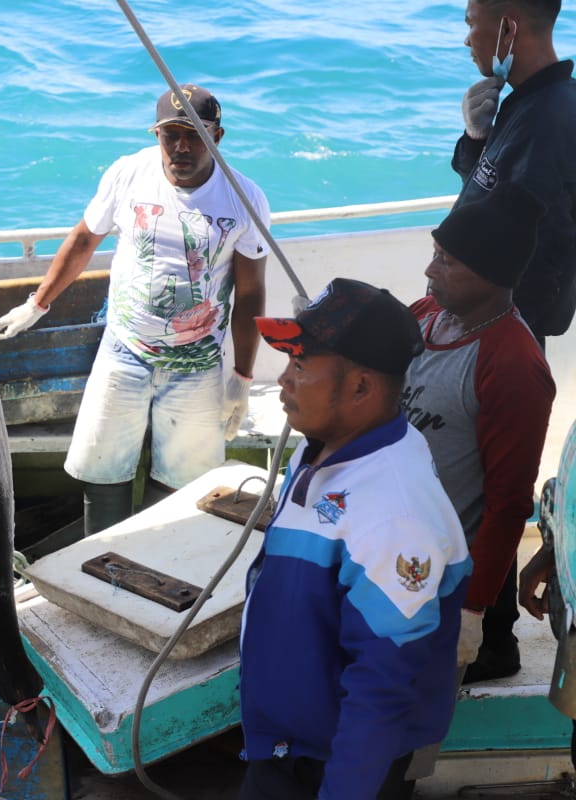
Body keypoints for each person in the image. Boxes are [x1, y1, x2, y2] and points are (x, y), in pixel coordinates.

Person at [0, 84, 268, 536]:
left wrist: (244, 377)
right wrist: (36, 305)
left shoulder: (244, 197)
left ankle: (158, 561)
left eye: (195, 133)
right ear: (156, 134)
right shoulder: (128, 173)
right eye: (170, 134)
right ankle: (99, 560)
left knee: (182, 483)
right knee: (103, 470)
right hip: (125, 351)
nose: (181, 146)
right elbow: (83, 240)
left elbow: (250, 293)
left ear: (218, 135)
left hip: (196, 363)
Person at [238, 278, 471, 799]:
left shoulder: (395, 515)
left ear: (362, 388)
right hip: (287, 742)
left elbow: (382, 684)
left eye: (301, 367)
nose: (283, 381)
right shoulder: (325, 444)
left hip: (336, 762)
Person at [402, 181, 555, 684]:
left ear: (491, 275)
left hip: (441, 577)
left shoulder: (512, 364)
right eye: (434, 253)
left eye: (446, 260)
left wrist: (472, 611)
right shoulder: (426, 316)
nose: (429, 269)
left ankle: (492, 644)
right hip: (393, 550)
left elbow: (509, 503)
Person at [453, 0, 576, 343]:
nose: (467, 41)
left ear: (507, 29)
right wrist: (476, 139)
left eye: (470, 24)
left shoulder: (550, 120)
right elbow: (487, 200)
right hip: (479, 322)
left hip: (496, 335)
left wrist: (505, 339)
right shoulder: (525, 103)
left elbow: (548, 247)